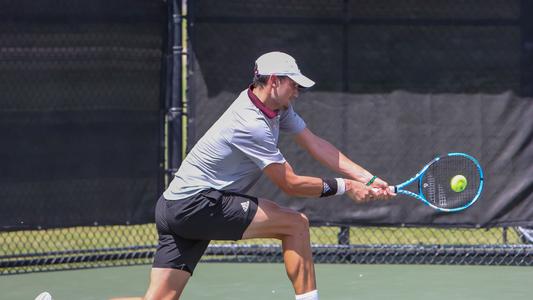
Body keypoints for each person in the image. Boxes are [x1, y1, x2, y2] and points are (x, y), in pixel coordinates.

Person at [135, 51, 395, 300]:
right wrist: (346, 186)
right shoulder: (251, 124)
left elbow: (314, 143)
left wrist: (367, 178)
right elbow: (290, 183)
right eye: (294, 85)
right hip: (198, 204)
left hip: (172, 206)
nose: (297, 92)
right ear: (273, 81)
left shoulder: (274, 106)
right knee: (295, 224)